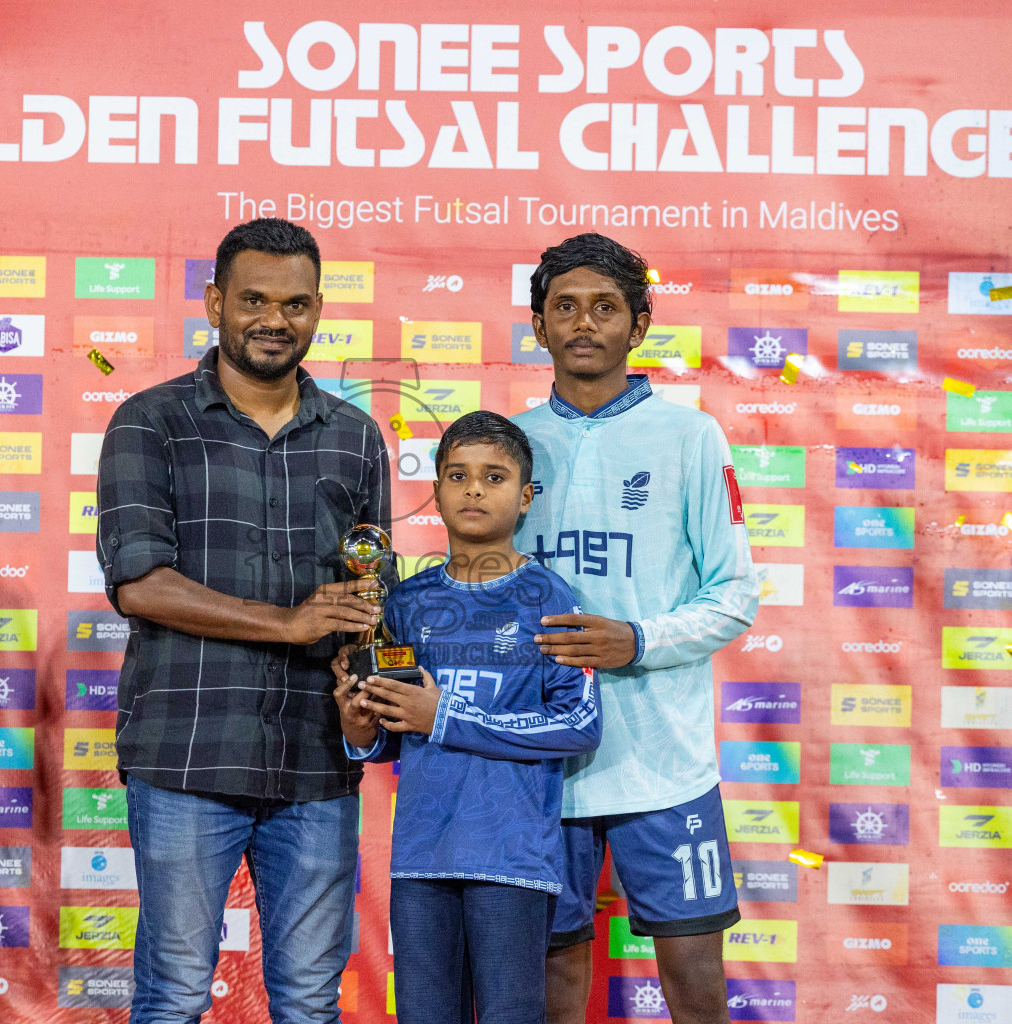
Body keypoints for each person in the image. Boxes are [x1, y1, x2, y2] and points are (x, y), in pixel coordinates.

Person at [96, 218, 391, 1023]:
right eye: (254, 299)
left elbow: (373, 587)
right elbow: (141, 585)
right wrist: (291, 624)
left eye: (296, 303)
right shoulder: (149, 421)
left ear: (319, 310)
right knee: (174, 998)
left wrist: (365, 670)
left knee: (309, 1003)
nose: (275, 318)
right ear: (216, 301)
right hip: (187, 754)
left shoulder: (357, 438)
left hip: (317, 764)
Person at [515, 234, 760, 1024]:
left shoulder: (690, 436)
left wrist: (637, 640)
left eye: (606, 307)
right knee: (552, 984)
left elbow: (733, 596)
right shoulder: (507, 443)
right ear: (539, 323)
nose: (584, 323)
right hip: (541, 761)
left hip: (664, 763)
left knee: (694, 981)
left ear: (640, 324)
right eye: (565, 307)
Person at [334, 411, 601, 1024]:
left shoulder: (552, 599)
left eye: (494, 477)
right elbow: (392, 736)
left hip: (512, 857)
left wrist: (446, 716)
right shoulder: (402, 601)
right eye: (457, 475)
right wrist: (358, 727)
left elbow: (579, 722)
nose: (474, 489)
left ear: (526, 497)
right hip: (421, 856)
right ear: (437, 490)